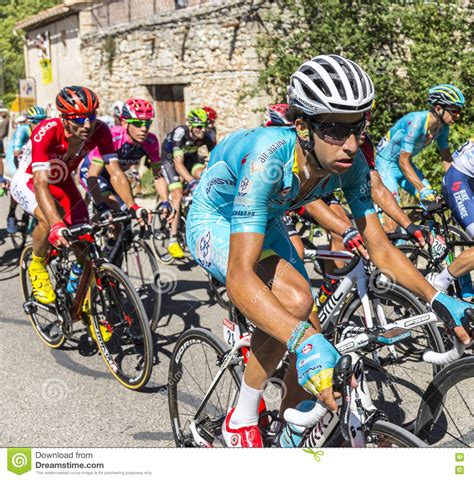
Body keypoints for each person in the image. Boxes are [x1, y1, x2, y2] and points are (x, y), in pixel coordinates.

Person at [186, 54, 472, 447]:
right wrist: (303, 342)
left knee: (311, 328)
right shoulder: (269, 159)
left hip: (266, 219)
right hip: (215, 217)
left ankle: (292, 433)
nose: (352, 145)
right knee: (298, 304)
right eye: (337, 129)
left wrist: (437, 298)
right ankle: (241, 418)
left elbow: (379, 245)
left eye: (359, 128)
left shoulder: (349, 160)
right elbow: (240, 275)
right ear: (302, 126)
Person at [10, 86, 150, 305]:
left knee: (85, 240)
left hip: (63, 183)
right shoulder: (47, 130)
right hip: (30, 180)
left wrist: (133, 205)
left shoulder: (100, 130)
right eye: (78, 119)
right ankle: (37, 264)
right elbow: (40, 182)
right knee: (48, 221)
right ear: (64, 118)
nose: (87, 124)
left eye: (91, 117)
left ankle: (84, 305)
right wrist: (57, 223)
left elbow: (114, 171)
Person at [376, 84, 465, 232]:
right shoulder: (416, 122)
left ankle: (404, 232)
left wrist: (453, 184)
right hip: (386, 164)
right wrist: (421, 189)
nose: (458, 115)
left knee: (430, 203)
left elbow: (446, 158)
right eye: (454, 111)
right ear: (438, 109)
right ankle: (378, 241)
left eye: (459, 111)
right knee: (391, 224)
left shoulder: (443, 128)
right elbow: (403, 161)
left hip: (403, 164)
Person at [79, 97, 170, 217]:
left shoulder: (151, 141)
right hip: (94, 172)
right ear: (124, 123)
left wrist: (165, 202)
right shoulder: (112, 137)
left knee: (126, 214)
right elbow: (93, 175)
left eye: (148, 123)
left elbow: (157, 175)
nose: (144, 129)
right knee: (114, 209)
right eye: (138, 124)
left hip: (116, 176)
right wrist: (101, 204)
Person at [161, 108, 216, 258]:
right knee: (177, 193)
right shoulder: (180, 133)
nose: (203, 130)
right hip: (170, 160)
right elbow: (178, 164)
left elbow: (216, 158)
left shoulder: (207, 134)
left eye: (205, 126)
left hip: (191, 159)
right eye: (199, 126)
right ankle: (172, 240)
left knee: (203, 175)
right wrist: (191, 182)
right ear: (190, 125)